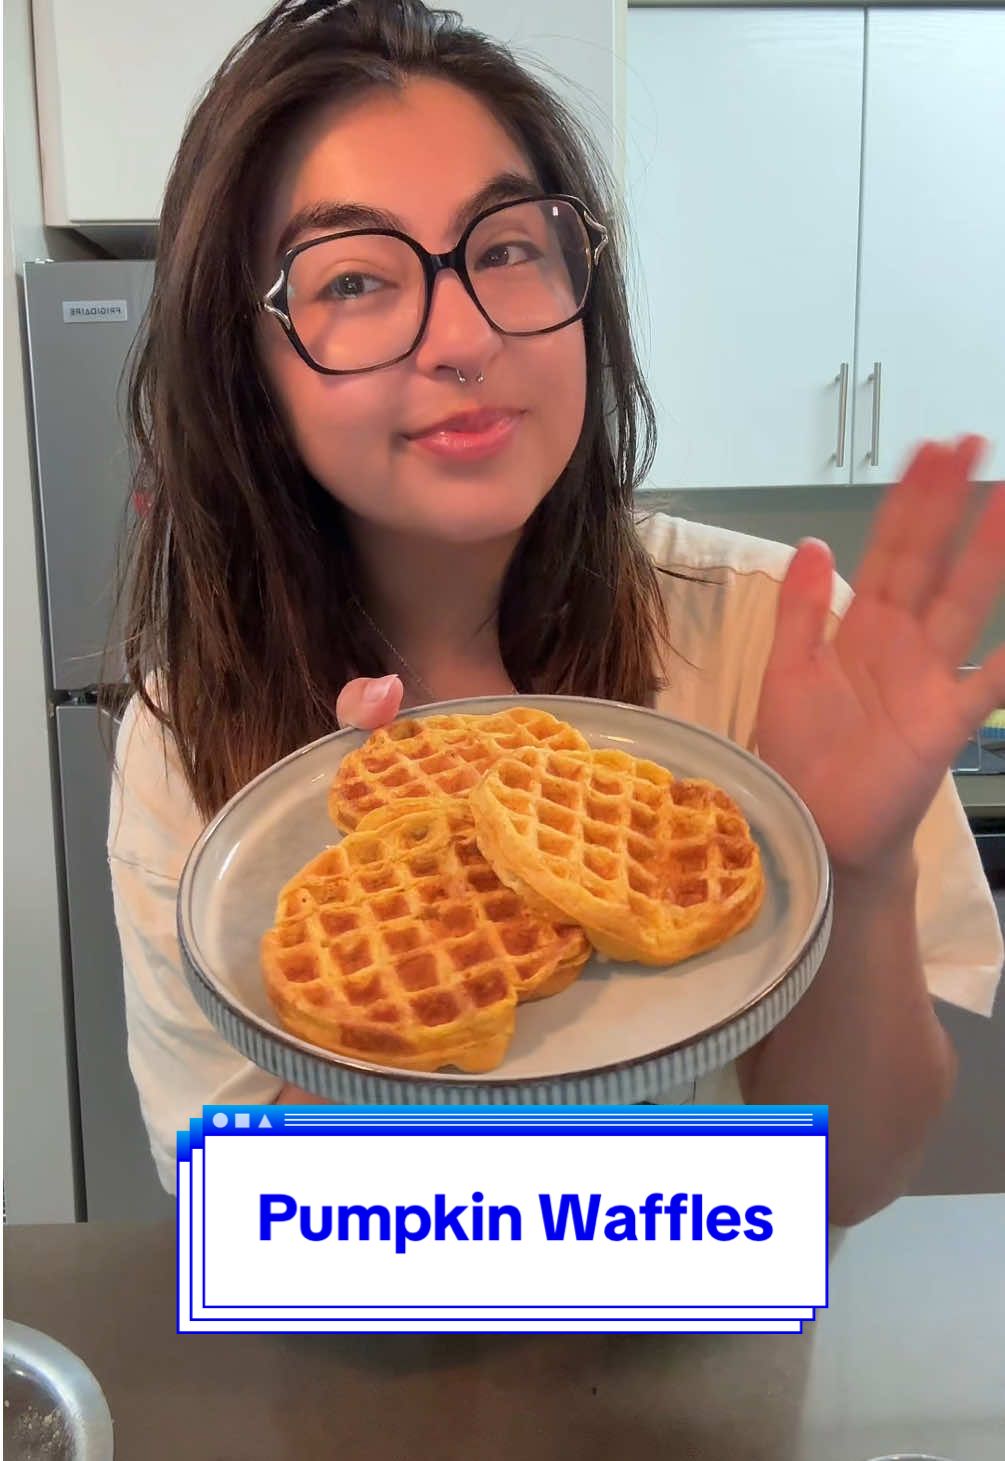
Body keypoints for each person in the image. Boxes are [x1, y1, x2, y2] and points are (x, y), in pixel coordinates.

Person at [106, 0, 1004, 1225]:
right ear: (249, 376)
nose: (465, 335)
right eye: (355, 278)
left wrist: (858, 873)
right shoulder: (190, 733)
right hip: (384, 1403)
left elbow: (852, 1187)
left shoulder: (774, 636)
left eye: (509, 246)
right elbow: (247, 1227)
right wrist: (363, 982)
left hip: (723, 1397)